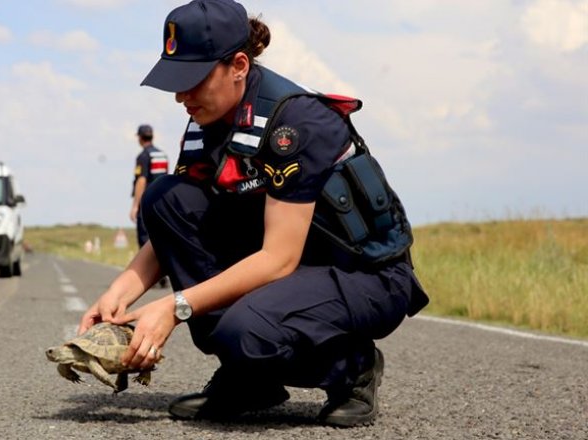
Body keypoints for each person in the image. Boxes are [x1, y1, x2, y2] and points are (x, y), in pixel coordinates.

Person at [78, 0, 429, 427]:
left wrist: (175, 306)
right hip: (298, 265)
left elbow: (278, 259)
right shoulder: (208, 117)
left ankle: (351, 367)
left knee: (244, 330)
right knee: (165, 199)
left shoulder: (293, 124)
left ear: (239, 65)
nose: (180, 96)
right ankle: (251, 378)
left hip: (364, 274)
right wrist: (120, 292)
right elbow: (178, 226)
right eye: (175, 80)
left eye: (192, 80)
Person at [130, 124, 169, 287]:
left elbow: (141, 180)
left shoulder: (143, 156)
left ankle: (148, 277)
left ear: (140, 137)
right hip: (162, 201)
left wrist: (135, 205)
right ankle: (164, 273)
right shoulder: (162, 155)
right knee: (161, 237)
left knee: (145, 239)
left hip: (147, 202)